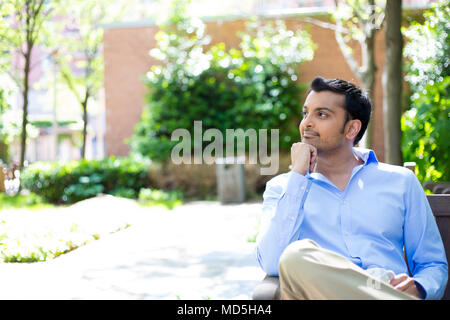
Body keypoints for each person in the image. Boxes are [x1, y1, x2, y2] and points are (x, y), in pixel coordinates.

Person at [255, 76, 448, 300]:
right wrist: (298, 176)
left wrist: (419, 287)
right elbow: (271, 262)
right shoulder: (283, 188)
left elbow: (433, 264)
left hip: (392, 289)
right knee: (295, 256)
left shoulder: (401, 182)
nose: (306, 123)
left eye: (322, 114)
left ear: (352, 129)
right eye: (305, 113)